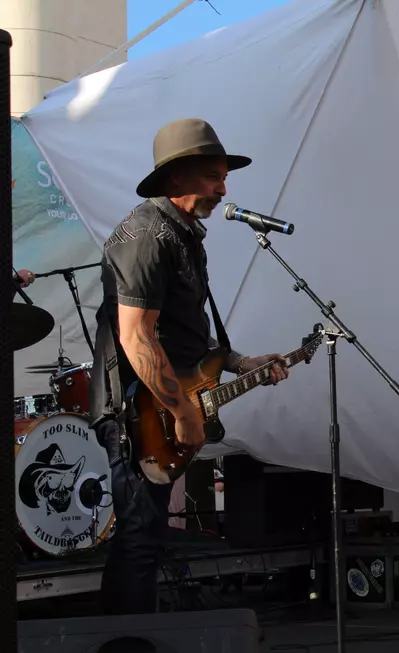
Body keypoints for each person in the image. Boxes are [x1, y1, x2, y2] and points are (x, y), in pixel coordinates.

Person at [94, 118, 290, 615]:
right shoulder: (143, 235)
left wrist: (241, 362)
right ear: (175, 176)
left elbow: (184, 333)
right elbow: (136, 335)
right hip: (136, 410)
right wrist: (182, 411)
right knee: (138, 536)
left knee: (148, 536)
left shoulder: (184, 236)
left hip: (161, 400)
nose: (224, 189)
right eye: (213, 176)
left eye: (225, 177)